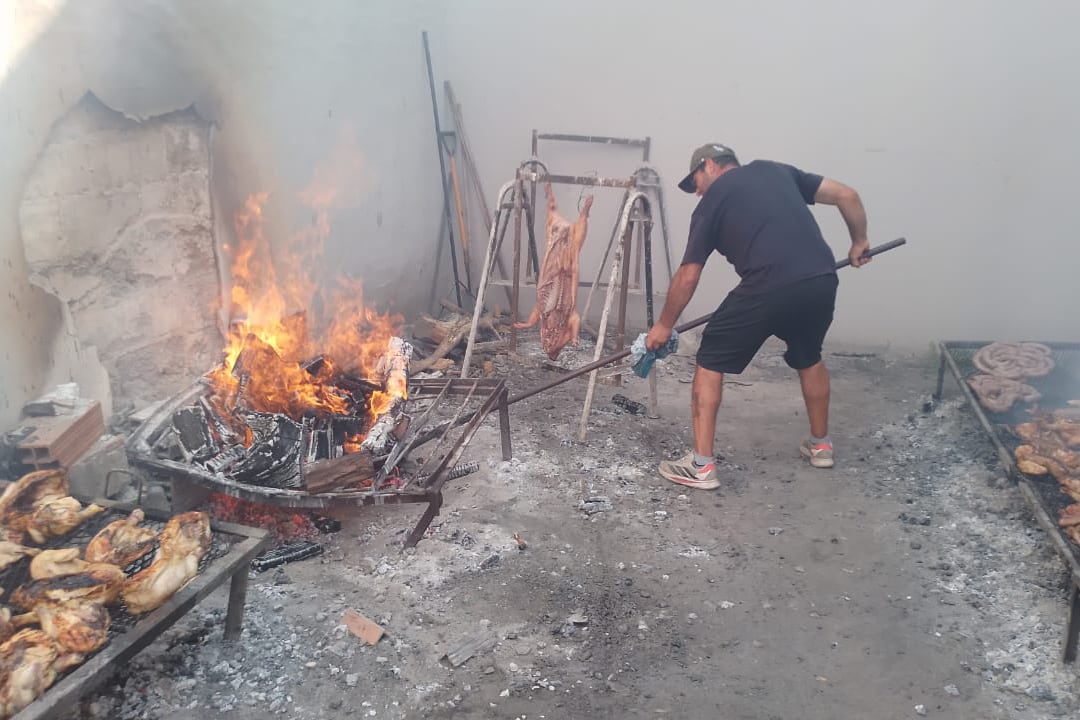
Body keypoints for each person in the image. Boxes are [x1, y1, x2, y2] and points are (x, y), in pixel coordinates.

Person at [645, 143, 870, 490]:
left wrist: (663, 326)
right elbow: (847, 195)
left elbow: (689, 273)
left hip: (769, 282)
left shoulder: (713, 200)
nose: (697, 193)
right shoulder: (777, 170)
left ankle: (701, 466)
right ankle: (821, 445)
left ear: (709, 166)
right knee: (809, 356)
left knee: (710, 358)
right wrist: (859, 242)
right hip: (821, 278)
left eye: (696, 183)